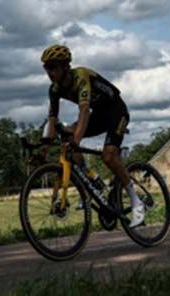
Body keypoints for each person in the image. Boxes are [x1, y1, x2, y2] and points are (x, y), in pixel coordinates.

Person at [39, 44, 144, 228]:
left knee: (108, 156)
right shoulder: (54, 89)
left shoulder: (80, 77)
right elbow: (52, 119)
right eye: (46, 67)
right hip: (100, 115)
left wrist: (76, 141)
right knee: (66, 136)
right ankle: (92, 180)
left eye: (53, 66)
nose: (49, 72)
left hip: (116, 110)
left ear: (65, 66)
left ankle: (136, 202)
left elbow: (84, 111)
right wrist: (44, 149)